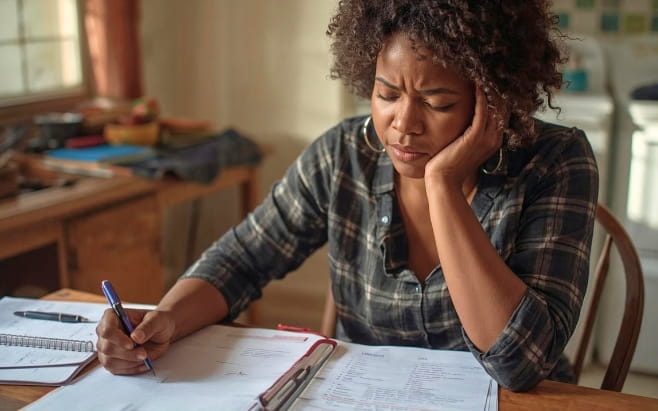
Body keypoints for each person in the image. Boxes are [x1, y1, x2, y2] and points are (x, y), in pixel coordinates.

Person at [96, 0, 598, 392]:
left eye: (438, 103)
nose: (403, 124)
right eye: (386, 95)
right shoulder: (342, 155)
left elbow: (520, 362)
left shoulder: (556, 162)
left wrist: (442, 185)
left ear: (494, 98)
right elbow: (243, 258)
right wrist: (164, 320)